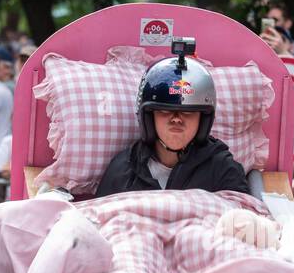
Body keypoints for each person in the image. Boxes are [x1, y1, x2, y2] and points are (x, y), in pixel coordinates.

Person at [96, 48, 248, 197]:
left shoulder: (222, 169)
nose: (176, 119)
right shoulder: (124, 169)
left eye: (188, 112)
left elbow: (241, 218)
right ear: (149, 117)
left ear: (203, 120)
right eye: (164, 110)